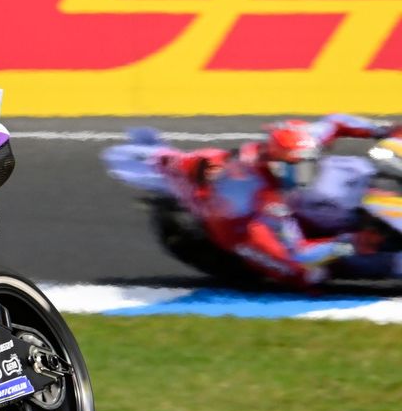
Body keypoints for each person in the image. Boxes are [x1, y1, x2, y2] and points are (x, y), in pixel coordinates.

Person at [163, 114, 399, 287]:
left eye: (310, 163)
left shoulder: (302, 144)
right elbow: (297, 254)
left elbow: (336, 122)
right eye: (300, 168)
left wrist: (382, 131)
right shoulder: (267, 202)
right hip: (262, 237)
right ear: (278, 166)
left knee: (349, 169)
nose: (306, 171)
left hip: (284, 198)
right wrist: (348, 243)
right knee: (310, 274)